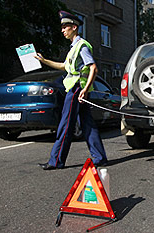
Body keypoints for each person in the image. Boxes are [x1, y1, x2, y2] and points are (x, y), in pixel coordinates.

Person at [35, 11, 108, 170]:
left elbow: (93, 68)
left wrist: (85, 89)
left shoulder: (81, 46)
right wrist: (44, 60)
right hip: (78, 89)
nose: (62, 30)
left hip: (76, 89)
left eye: (65, 27)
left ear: (74, 27)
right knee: (88, 124)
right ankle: (100, 157)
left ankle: (56, 161)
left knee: (65, 124)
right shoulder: (73, 48)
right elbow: (64, 66)